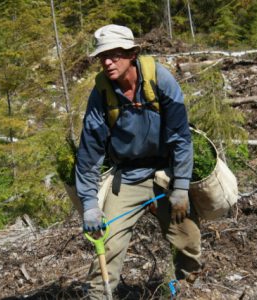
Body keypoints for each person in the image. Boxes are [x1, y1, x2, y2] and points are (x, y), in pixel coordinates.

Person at [75, 24, 201, 299]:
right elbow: (89, 154)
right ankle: (99, 295)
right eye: (102, 56)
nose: (107, 62)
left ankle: (185, 289)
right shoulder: (101, 94)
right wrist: (89, 205)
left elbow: (181, 137)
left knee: (187, 239)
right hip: (128, 176)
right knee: (108, 245)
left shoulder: (160, 80)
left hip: (164, 173)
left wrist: (180, 187)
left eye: (115, 54)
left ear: (132, 53)